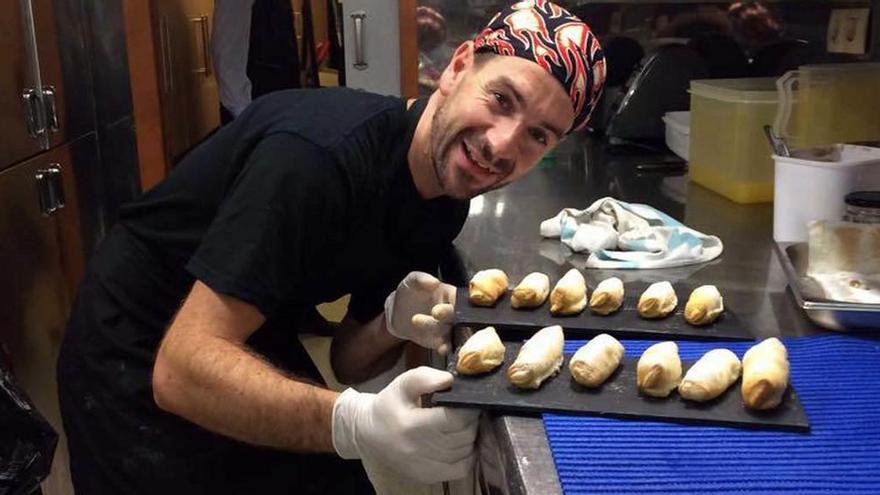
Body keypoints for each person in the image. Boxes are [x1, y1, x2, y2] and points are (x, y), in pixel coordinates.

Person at [57, 1, 606, 493]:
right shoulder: (317, 159)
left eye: (539, 135)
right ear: (457, 68)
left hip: (250, 323)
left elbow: (346, 359)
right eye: (501, 99)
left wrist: (391, 322)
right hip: (138, 341)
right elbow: (179, 372)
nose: (501, 144)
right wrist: (356, 423)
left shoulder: (444, 198)